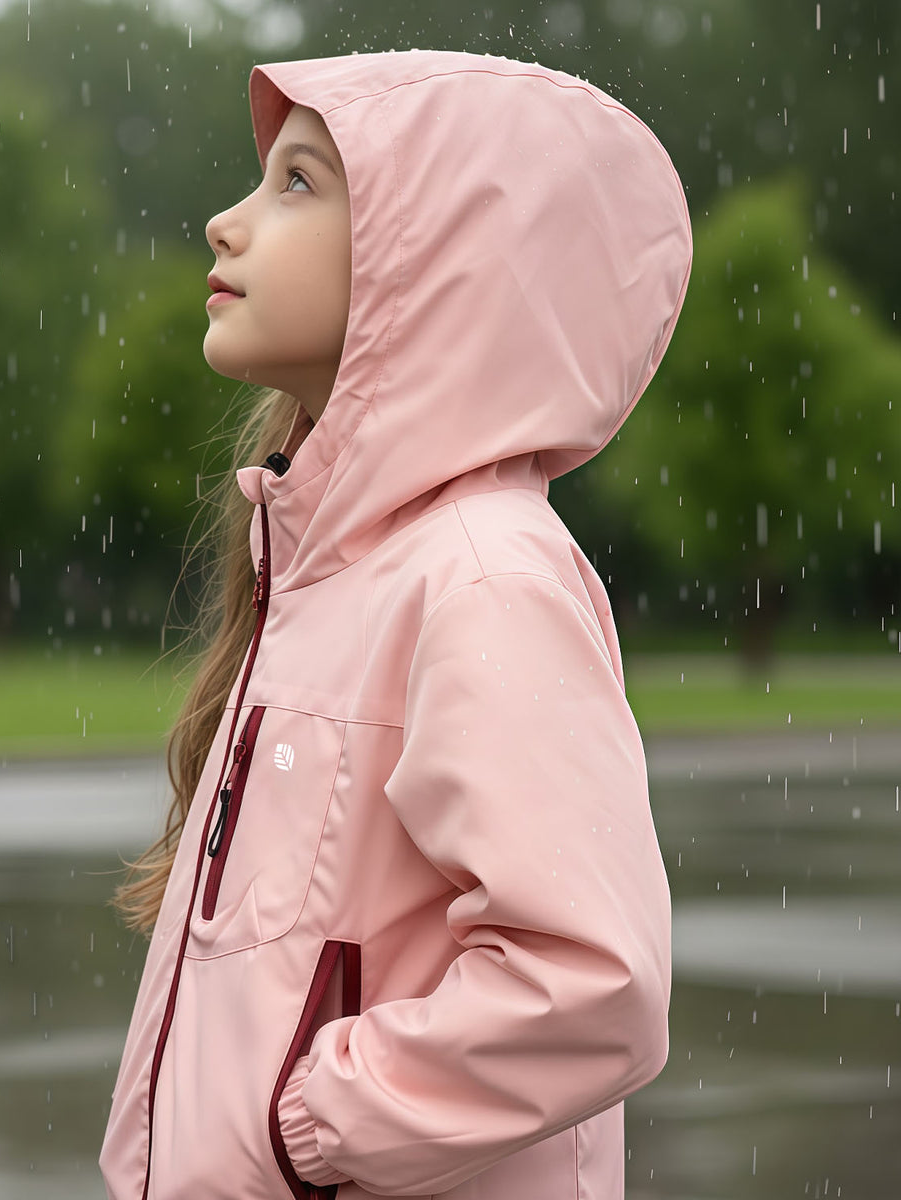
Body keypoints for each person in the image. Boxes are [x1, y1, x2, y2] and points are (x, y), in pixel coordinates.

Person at [100, 48, 692, 1200]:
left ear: (442, 263)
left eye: (300, 184)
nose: (227, 223)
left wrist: (301, 1128)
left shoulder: (482, 577)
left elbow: (590, 985)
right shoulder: (320, 572)